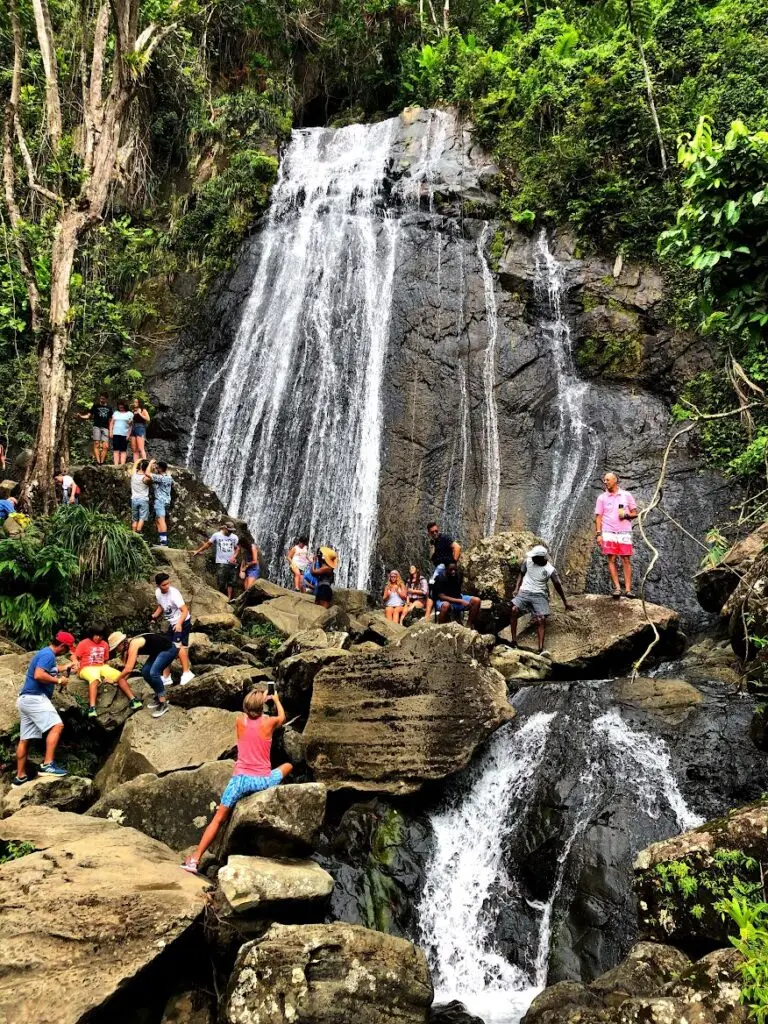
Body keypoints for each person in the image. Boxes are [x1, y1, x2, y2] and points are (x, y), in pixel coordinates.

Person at [182, 687, 292, 874]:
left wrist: (258, 701)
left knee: (218, 818)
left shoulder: (239, 722)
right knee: (288, 765)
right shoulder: (269, 723)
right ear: (263, 706)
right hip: (262, 781)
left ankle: (195, 859)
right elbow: (283, 717)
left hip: (240, 780)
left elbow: (250, 714)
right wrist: (276, 700)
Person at [14, 630, 75, 785]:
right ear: (62, 646)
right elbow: (39, 675)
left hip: (25, 699)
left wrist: (67, 666)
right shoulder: (48, 655)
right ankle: (47, 765)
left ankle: (20, 776)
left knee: (24, 739)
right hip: (35, 697)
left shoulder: (46, 654)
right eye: (67, 649)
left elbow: (53, 669)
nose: (67, 651)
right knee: (57, 726)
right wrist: (59, 682)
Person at [508, 545, 572, 656]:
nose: (532, 558)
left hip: (539, 595)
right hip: (525, 592)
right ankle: (513, 641)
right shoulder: (528, 561)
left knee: (541, 618)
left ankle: (540, 649)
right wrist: (516, 588)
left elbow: (558, 585)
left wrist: (565, 602)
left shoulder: (550, 570)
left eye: (534, 557)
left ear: (541, 558)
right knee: (514, 609)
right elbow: (521, 574)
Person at [72, 622, 143, 719]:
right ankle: (92, 708)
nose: (98, 638)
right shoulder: (83, 643)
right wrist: (75, 661)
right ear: (92, 633)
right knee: (94, 677)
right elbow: (74, 655)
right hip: (86, 667)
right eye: (96, 635)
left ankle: (133, 700)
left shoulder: (105, 644)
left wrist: (110, 674)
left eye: (100, 635)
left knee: (120, 675)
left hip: (101, 666)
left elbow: (105, 660)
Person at [109, 630, 177, 718]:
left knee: (154, 672)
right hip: (157, 652)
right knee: (145, 671)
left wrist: (115, 680)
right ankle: (159, 695)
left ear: (121, 644)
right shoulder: (127, 647)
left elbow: (128, 669)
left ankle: (163, 703)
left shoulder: (134, 644)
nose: (116, 651)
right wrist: (121, 680)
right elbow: (130, 668)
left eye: (115, 648)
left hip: (169, 649)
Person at [595, 472, 639, 599]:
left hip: (624, 531)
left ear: (615, 480)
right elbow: (598, 517)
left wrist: (625, 515)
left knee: (626, 559)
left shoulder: (626, 495)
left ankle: (628, 590)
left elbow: (635, 513)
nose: (605, 482)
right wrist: (599, 534)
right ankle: (617, 588)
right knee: (611, 559)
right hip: (608, 531)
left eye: (608, 480)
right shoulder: (602, 498)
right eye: (604, 480)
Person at [151, 573, 195, 685]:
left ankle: (186, 672)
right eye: (164, 585)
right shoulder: (158, 593)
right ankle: (166, 676)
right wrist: (154, 616)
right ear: (158, 586)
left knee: (178, 647)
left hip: (183, 621)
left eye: (168, 583)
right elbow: (161, 606)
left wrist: (179, 624)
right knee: (166, 646)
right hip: (172, 623)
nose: (167, 586)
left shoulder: (174, 594)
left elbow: (185, 610)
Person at [192, 522, 240, 598]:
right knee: (221, 581)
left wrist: (234, 556)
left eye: (232, 531)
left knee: (231, 582)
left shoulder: (234, 537)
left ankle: (229, 599)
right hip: (221, 562)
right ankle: (221, 598)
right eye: (229, 530)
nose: (230, 532)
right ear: (224, 528)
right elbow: (208, 544)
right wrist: (198, 551)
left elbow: (237, 548)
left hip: (232, 562)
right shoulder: (217, 535)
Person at [425, 521, 462, 618]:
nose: (435, 533)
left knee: (432, 587)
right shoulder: (433, 542)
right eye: (432, 532)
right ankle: (435, 612)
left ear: (439, 530)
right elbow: (431, 557)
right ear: (429, 533)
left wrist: (453, 563)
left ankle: (427, 615)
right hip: (439, 567)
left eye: (436, 531)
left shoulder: (444, 538)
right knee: (435, 589)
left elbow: (457, 547)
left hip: (443, 567)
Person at [435, 562, 481, 628]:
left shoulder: (458, 575)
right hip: (445, 600)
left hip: (457, 598)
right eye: (451, 570)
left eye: (455, 570)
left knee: (476, 601)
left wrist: (461, 600)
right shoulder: (440, 578)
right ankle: (441, 628)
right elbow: (441, 596)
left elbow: (458, 591)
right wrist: (460, 601)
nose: (453, 572)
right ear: (446, 569)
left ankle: (468, 626)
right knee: (445, 606)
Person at [77, 393, 113, 465]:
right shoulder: (95, 406)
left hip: (105, 427)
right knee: (96, 444)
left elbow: (111, 420)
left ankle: (102, 462)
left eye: (103, 398)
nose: (101, 400)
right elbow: (88, 416)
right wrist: (81, 416)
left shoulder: (109, 408)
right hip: (97, 426)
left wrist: (111, 430)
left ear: (106, 399)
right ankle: (98, 461)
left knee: (105, 446)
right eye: (100, 398)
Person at [145, 459, 172, 545]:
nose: (156, 470)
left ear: (160, 469)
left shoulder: (160, 478)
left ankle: (164, 542)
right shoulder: (169, 478)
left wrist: (150, 464)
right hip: (167, 502)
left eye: (157, 468)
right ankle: (162, 541)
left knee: (161, 520)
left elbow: (147, 474)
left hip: (160, 501)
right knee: (158, 521)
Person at [109, 400, 133, 467]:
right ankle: (116, 465)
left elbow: (131, 425)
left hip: (124, 434)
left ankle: (122, 465)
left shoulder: (130, 413)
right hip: (115, 433)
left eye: (122, 405)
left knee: (123, 450)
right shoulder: (116, 413)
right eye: (119, 405)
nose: (120, 406)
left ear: (125, 406)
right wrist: (110, 431)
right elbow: (111, 423)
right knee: (116, 449)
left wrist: (128, 434)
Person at [130, 459, 151, 533]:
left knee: (135, 519)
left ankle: (133, 534)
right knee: (142, 518)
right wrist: (150, 463)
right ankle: (138, 534)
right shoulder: (146, 478)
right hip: (143, 500)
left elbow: (135, 464)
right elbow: (149, 475)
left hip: (134, 499)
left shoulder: (133, 475)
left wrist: (140, 459)